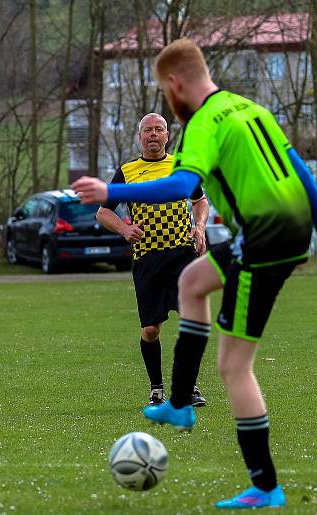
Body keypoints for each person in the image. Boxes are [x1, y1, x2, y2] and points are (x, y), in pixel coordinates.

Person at [72, 38, 317, 510]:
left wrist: (108, 189)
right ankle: (179, 403)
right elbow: (300, 169)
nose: (170, 108)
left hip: (264, 240)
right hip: (287, 231)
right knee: (192, 283)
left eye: (166, 93)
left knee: (234, 367)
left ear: (176, 84)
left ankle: (264, 485)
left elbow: (182, 185)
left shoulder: (201, 123)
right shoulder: (250, 109)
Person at [96, 112, 210, 409]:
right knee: (151, 330)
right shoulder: (127, 171)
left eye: (159, 129)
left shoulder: (181, 166)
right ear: (140, 137)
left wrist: (199, 227)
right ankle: (157, 388)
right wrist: (123, 228)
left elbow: (200, 201)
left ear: (167, 135)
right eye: (148, 130)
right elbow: (103, 211)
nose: (154, 134)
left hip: (183, 254)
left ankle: (188, 387)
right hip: (148, 258)